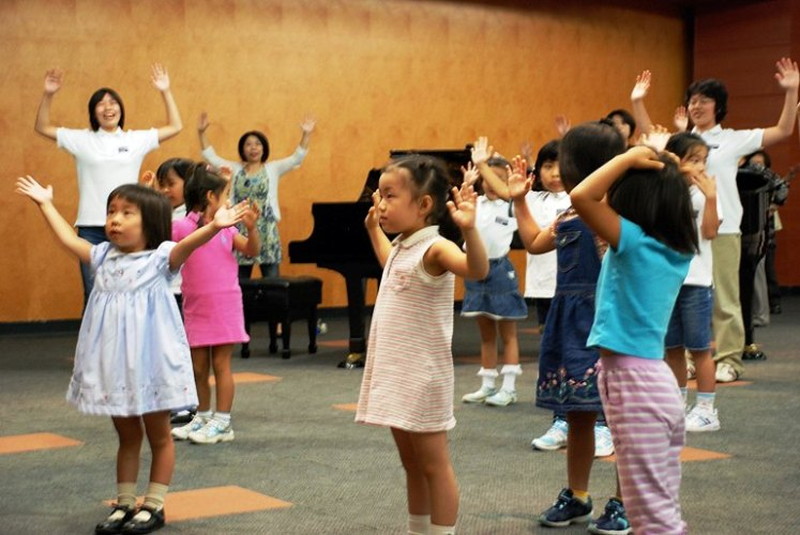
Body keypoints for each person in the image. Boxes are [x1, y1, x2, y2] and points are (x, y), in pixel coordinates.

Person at [15, 176, 249, 535]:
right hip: (115, 368)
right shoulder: (102, 256)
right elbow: (68, 239)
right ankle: (124, 503)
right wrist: (45, 203)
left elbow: (187, 244)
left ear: (150, 222)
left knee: (159, 437)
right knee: (126, 437)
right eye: (112, 211)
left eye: (127, 213)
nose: (115, 220)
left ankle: (153, 505)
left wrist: (214, 226)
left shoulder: (160, 258)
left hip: (151, 366)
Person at [630, 59, 799, 382]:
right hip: (680, 230)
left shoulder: (734, 139)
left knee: (724, 297)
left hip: (723, 228)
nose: (697, 105)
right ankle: (690, 358)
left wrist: (791, 92)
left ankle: (729, 360)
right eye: (693, 100)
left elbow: (783, 130)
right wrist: (638, 100)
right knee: (681, 295)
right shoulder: (679, 143)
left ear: (718, 107)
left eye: (704, 100)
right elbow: (651, 135)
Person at [355, 155, 489, 535]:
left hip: (422, 377)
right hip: (398, 373)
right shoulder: (402, 246)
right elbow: (387, 262)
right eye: (378, 196)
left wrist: (471, 231)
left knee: (433, 464)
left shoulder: (436, 248)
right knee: (411, 464)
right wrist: (372, 230)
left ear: (424, 205)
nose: (380, 204)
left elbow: (477, 270)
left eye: (390, 196)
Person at [508, 122, 631, 534]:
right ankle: (577, 495)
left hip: (606, 321)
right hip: (569, 322)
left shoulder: (618, 210)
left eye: (567, 160)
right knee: (579, 413)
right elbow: (534, 243)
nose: (560, 169)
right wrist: (520, 201)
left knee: (620, 416)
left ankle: (625, 501)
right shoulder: (570, 212)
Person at [572, 146, 697, 534]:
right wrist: (666, 171)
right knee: (657, 505)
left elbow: (582, 196)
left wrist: (630, 158)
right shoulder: (673, 249)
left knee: (652, 517)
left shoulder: (635, 242)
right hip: (653, 382)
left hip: (636, 385)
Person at [34, 64, 183, 304]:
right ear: (93, 112)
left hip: (131, 225)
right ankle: (94, 342)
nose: (108, 107)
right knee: (94, 295)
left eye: (113, 102)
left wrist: (165, 91)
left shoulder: (136, 139)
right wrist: (48, 94)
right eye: (101, 104)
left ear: (120, 110)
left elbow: (175, 126)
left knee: (131, 291)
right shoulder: (81, 139)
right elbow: (42, 127)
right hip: (91, 229)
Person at [170, 165, 260, 445]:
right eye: (224, 195)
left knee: (221, 364)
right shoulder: (182, 226)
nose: (228, 201)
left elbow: (252, 251)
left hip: (225, 304)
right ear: (210, 197)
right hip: (196, 306)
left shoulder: (227, 229)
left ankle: (223, 422)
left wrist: (252, 228)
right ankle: (203, 415)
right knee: (198, 367)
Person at [198, 112, 315, 279]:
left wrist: (306, 134)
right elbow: (211, 157)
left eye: (257, 144)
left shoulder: (273, 168)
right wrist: (201, 133)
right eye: (248, 145)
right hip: (240, 226)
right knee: (240, 279)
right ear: (242, 149)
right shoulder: (234, 168)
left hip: (267, 229)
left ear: (264, 148)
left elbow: (297, 158)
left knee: (272, 279)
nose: (253, 148)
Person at [663, 133, 723, 432]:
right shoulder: (665, 193)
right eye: (693, 159)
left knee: (699, 348)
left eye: (703, 161)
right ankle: (677, 405)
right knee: (672, 347)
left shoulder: (704, 193)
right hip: (666, 282)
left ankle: (707, 409)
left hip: (696, 282)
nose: (699, 166)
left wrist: (711, 197)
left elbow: (711, 232)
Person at [457, 156, 527, 408]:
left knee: (508, 334)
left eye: (497, 178)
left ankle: (509, 388)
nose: (490, 183)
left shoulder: (512, 206)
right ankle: (487, 385)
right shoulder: (476, 203)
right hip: (475, 271)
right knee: (486, 334)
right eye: (486, 178)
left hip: (499, 271)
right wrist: (467, 187)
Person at [154, 158, 197, 425]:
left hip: (182, 292)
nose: (165, 190)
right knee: (165, 350)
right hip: (163, 292)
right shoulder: (163, 213)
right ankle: (171, 399)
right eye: (162, 185)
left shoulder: (191, 218)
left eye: (171, 184)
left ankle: (186, 403)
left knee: (179, 351)